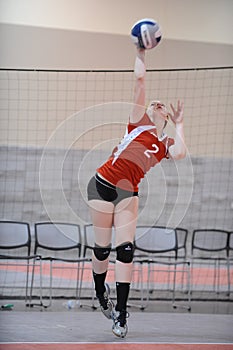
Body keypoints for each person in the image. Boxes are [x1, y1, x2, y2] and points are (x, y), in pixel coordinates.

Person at [87, 47, 186, 338]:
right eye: (153, 104)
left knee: (126, 249)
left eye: (161, 106)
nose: (156, 105)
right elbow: (140, 83)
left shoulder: (165, 141)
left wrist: (180, 124)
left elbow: (180, 153)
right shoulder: (137, 122)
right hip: (102, 182)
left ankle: (120, 313)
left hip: (128, 192)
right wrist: (141, 52)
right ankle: (99, 292)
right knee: (102, 248)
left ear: (164, 117)